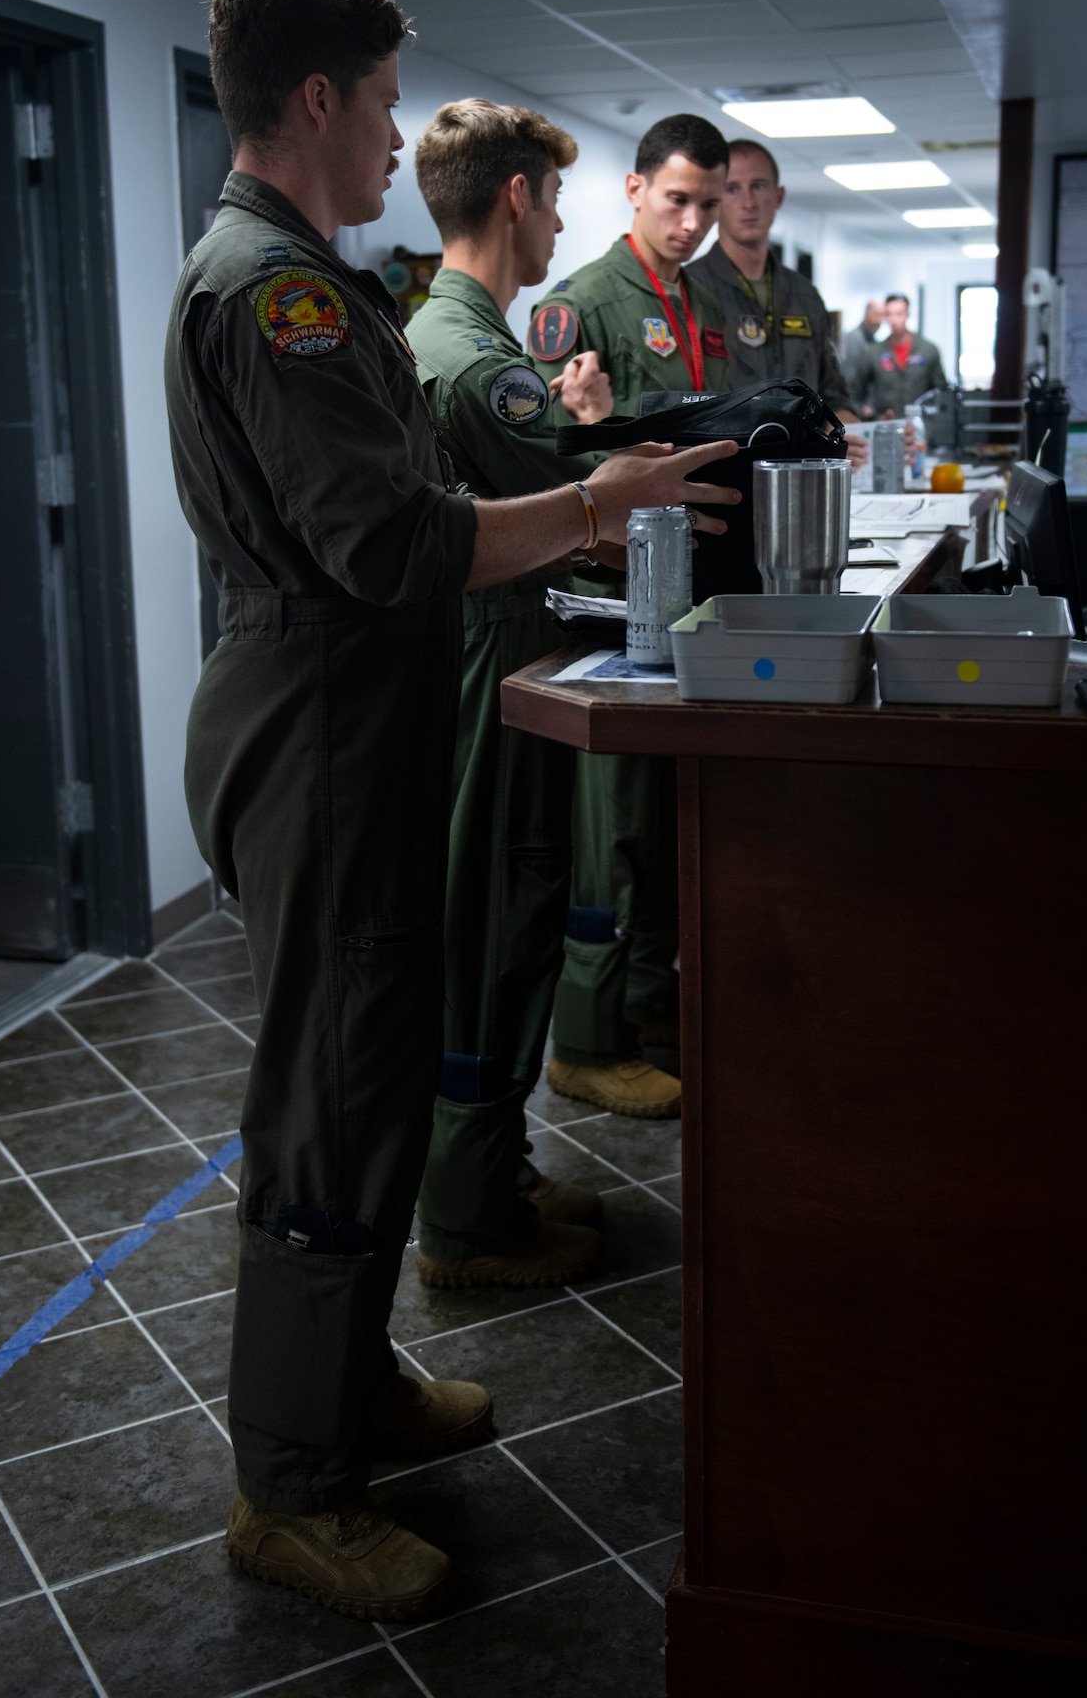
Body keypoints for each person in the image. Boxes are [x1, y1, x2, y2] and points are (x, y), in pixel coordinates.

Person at [164, 0, 739, 1623]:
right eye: (387, 97)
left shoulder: (311, 280)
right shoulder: (264, 291)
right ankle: (292, 1486)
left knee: (379, 1059)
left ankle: (346, 1394)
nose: (400, 131)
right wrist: (587, 502)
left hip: (357, 718)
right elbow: (390, 541)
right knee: (330, 1098)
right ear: (322, 101)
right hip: (318, 726)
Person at [405, 99, 628, 1290]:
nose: (559, 223)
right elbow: (587, 512)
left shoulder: (451, 340)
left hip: (488, 649)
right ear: (515, 198)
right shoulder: (480, 363)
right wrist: (599, 442)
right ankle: (468, 1216)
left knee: (502, 913)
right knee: (495, 922)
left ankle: (494, 1166)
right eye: (554, 197)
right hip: (494, 659)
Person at [527, 114, 734, 1121]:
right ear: (634, 189)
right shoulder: (581, 305)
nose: (692, 221)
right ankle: (587, 1036)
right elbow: (549, 472)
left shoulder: (696, 297)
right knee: (609, 830)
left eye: (708, 203)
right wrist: (593, 427)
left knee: (658, 818)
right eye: (676, 199)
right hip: (609, 603)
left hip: (684, 595)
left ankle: (652, 1006)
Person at [687, 137, 856, 413]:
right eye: (732, 189)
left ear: (778, 196)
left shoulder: (805, 294)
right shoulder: (688, 288)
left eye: (758, 186)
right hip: (725, 454)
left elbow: (834, 395)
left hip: (801, 455)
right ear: (714, 202)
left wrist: (853, 425)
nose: (748, 202)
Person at [850, 291, 947, 416]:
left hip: (921, 425)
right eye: (889, 314)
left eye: (899, 314)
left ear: (907, 314)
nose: (894, 320)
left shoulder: (928, 350)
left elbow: (941, 393)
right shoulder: (873, 353)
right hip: (885, 424)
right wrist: (865, 412)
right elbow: (853, 392)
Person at [839, 295, 889, 402]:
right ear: (867, 314)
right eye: (876, 314)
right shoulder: (852, 340)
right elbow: (849, 379)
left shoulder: (874, 342)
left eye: (882, 315)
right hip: (854, 403)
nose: (878, 320)